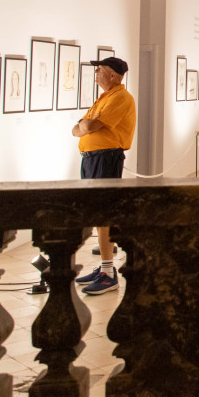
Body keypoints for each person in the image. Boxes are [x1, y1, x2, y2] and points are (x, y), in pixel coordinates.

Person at [72, 56, 136, 295]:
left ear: (112, 75)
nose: (96, 73)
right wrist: (85, 124)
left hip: (105, 158)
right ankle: (103, 267)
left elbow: (87, 127)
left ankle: (109, 273)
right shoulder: (105, 97)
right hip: (92, 158)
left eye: (99, 70)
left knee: (104, 213)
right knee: (98, 214)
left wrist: (85, 125)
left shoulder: (120, 98)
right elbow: (76, 129)